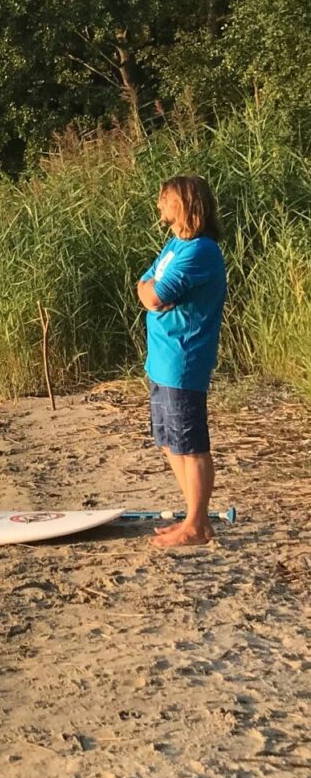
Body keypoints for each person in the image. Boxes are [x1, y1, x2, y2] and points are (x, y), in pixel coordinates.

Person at [135, 175, 228, 548]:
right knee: (168, 440)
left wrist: (151, 292)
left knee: (190, 443)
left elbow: (157, 295)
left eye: (165, 199)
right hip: (161, 358)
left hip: (183, 357)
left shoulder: (202, 250)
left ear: (185, 203)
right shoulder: (176, 244)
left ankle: (197, 523)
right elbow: (145, 284)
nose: (159, 206)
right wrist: (150, 290)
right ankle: (194, 518)